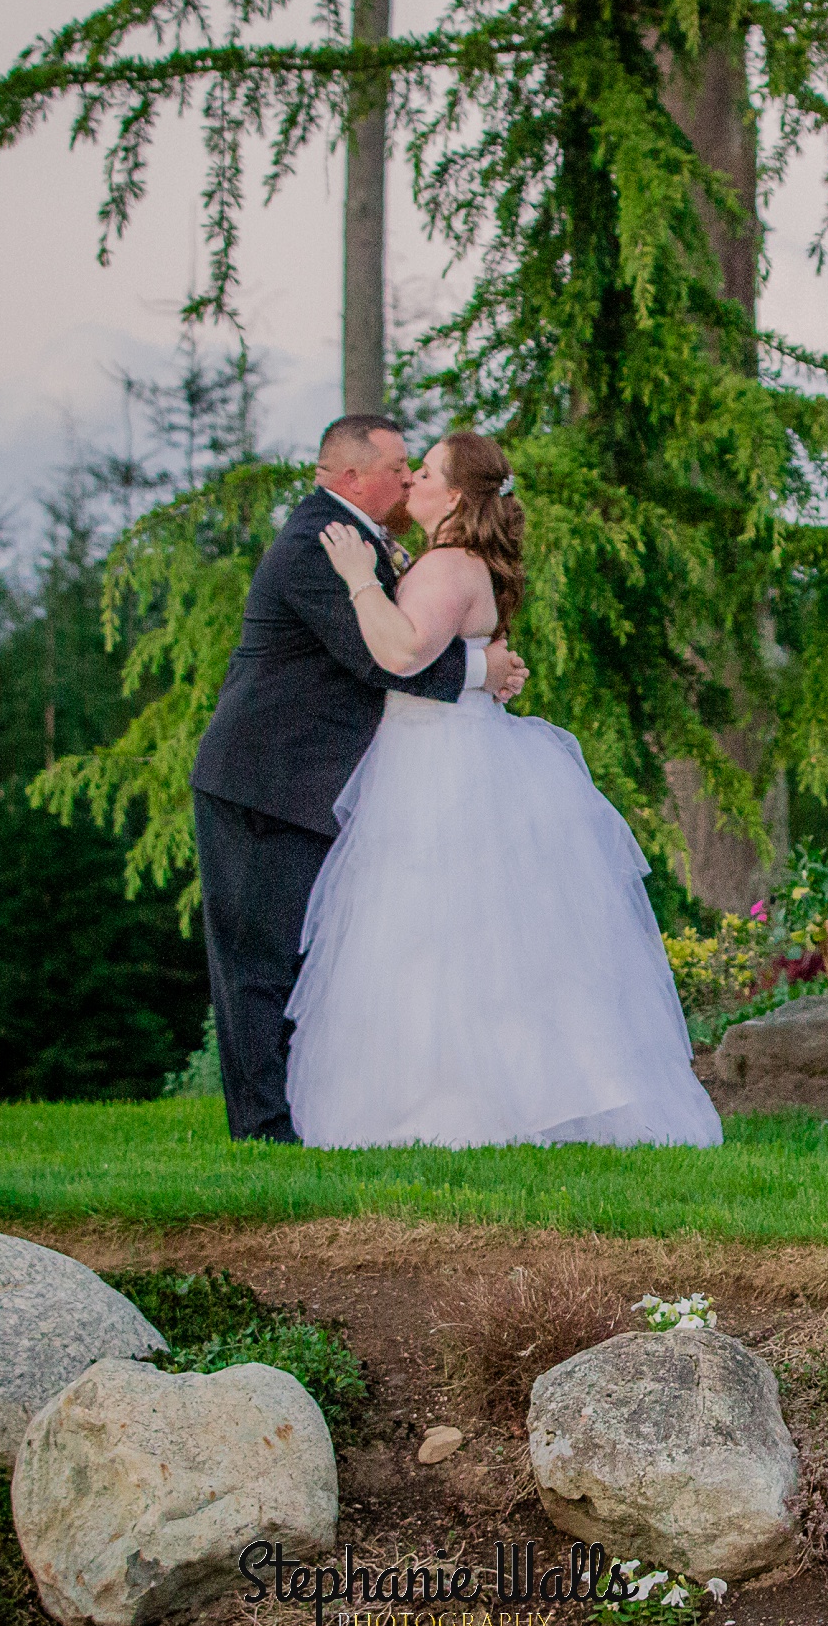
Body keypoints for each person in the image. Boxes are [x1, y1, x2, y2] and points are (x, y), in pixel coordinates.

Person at [282, 429, 722, 1150]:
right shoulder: (464, 564)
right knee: (473, 935)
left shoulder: (441, 567)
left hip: (433, 765)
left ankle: (449, 1112)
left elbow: (398, 652)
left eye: (423, 473)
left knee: (429, 933)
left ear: (454, 495)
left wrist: (360, 576)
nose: (411, 483)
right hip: (456, 747)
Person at [192, 415, 529, 1143]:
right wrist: (482, 670)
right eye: (399, 466)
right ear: (352, 478)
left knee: (313, 953)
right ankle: (262, 1132)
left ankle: (305, 1115)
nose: (408, 479)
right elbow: (378, 658)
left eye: (419, 469)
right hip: (264, 779)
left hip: (313, 783)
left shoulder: (365, 538)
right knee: (256, 960)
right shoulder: (320, 542)